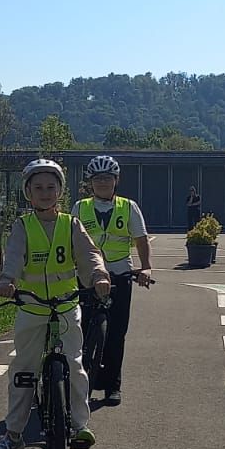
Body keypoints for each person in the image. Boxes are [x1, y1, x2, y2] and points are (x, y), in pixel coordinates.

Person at [0, 159, 110, 449]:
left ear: (60, 191)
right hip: (32, 307)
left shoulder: (71, 224)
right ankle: (13, 435)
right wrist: (7, 280)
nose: (45, 193)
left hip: (66, 305)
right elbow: (13, 257)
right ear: (28, 192)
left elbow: (90, 254)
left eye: (51, 187)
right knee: (24, 370)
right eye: (38, 188)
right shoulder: (23, 226)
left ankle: (80, 426)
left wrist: (99, 276)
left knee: (75, 366)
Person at [72, 155, 152, 406]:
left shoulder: (128, 207)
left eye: (107, 178)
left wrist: (146, 268)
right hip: (88, 276)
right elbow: (70, 240)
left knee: (117, 333)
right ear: (90, 182)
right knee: (81, 330)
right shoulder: (80, 207)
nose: (103, 183)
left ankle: (112, 386)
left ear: (116, 180)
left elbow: (141, 239)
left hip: (120, 274)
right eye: (98, 179)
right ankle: (80, 383)